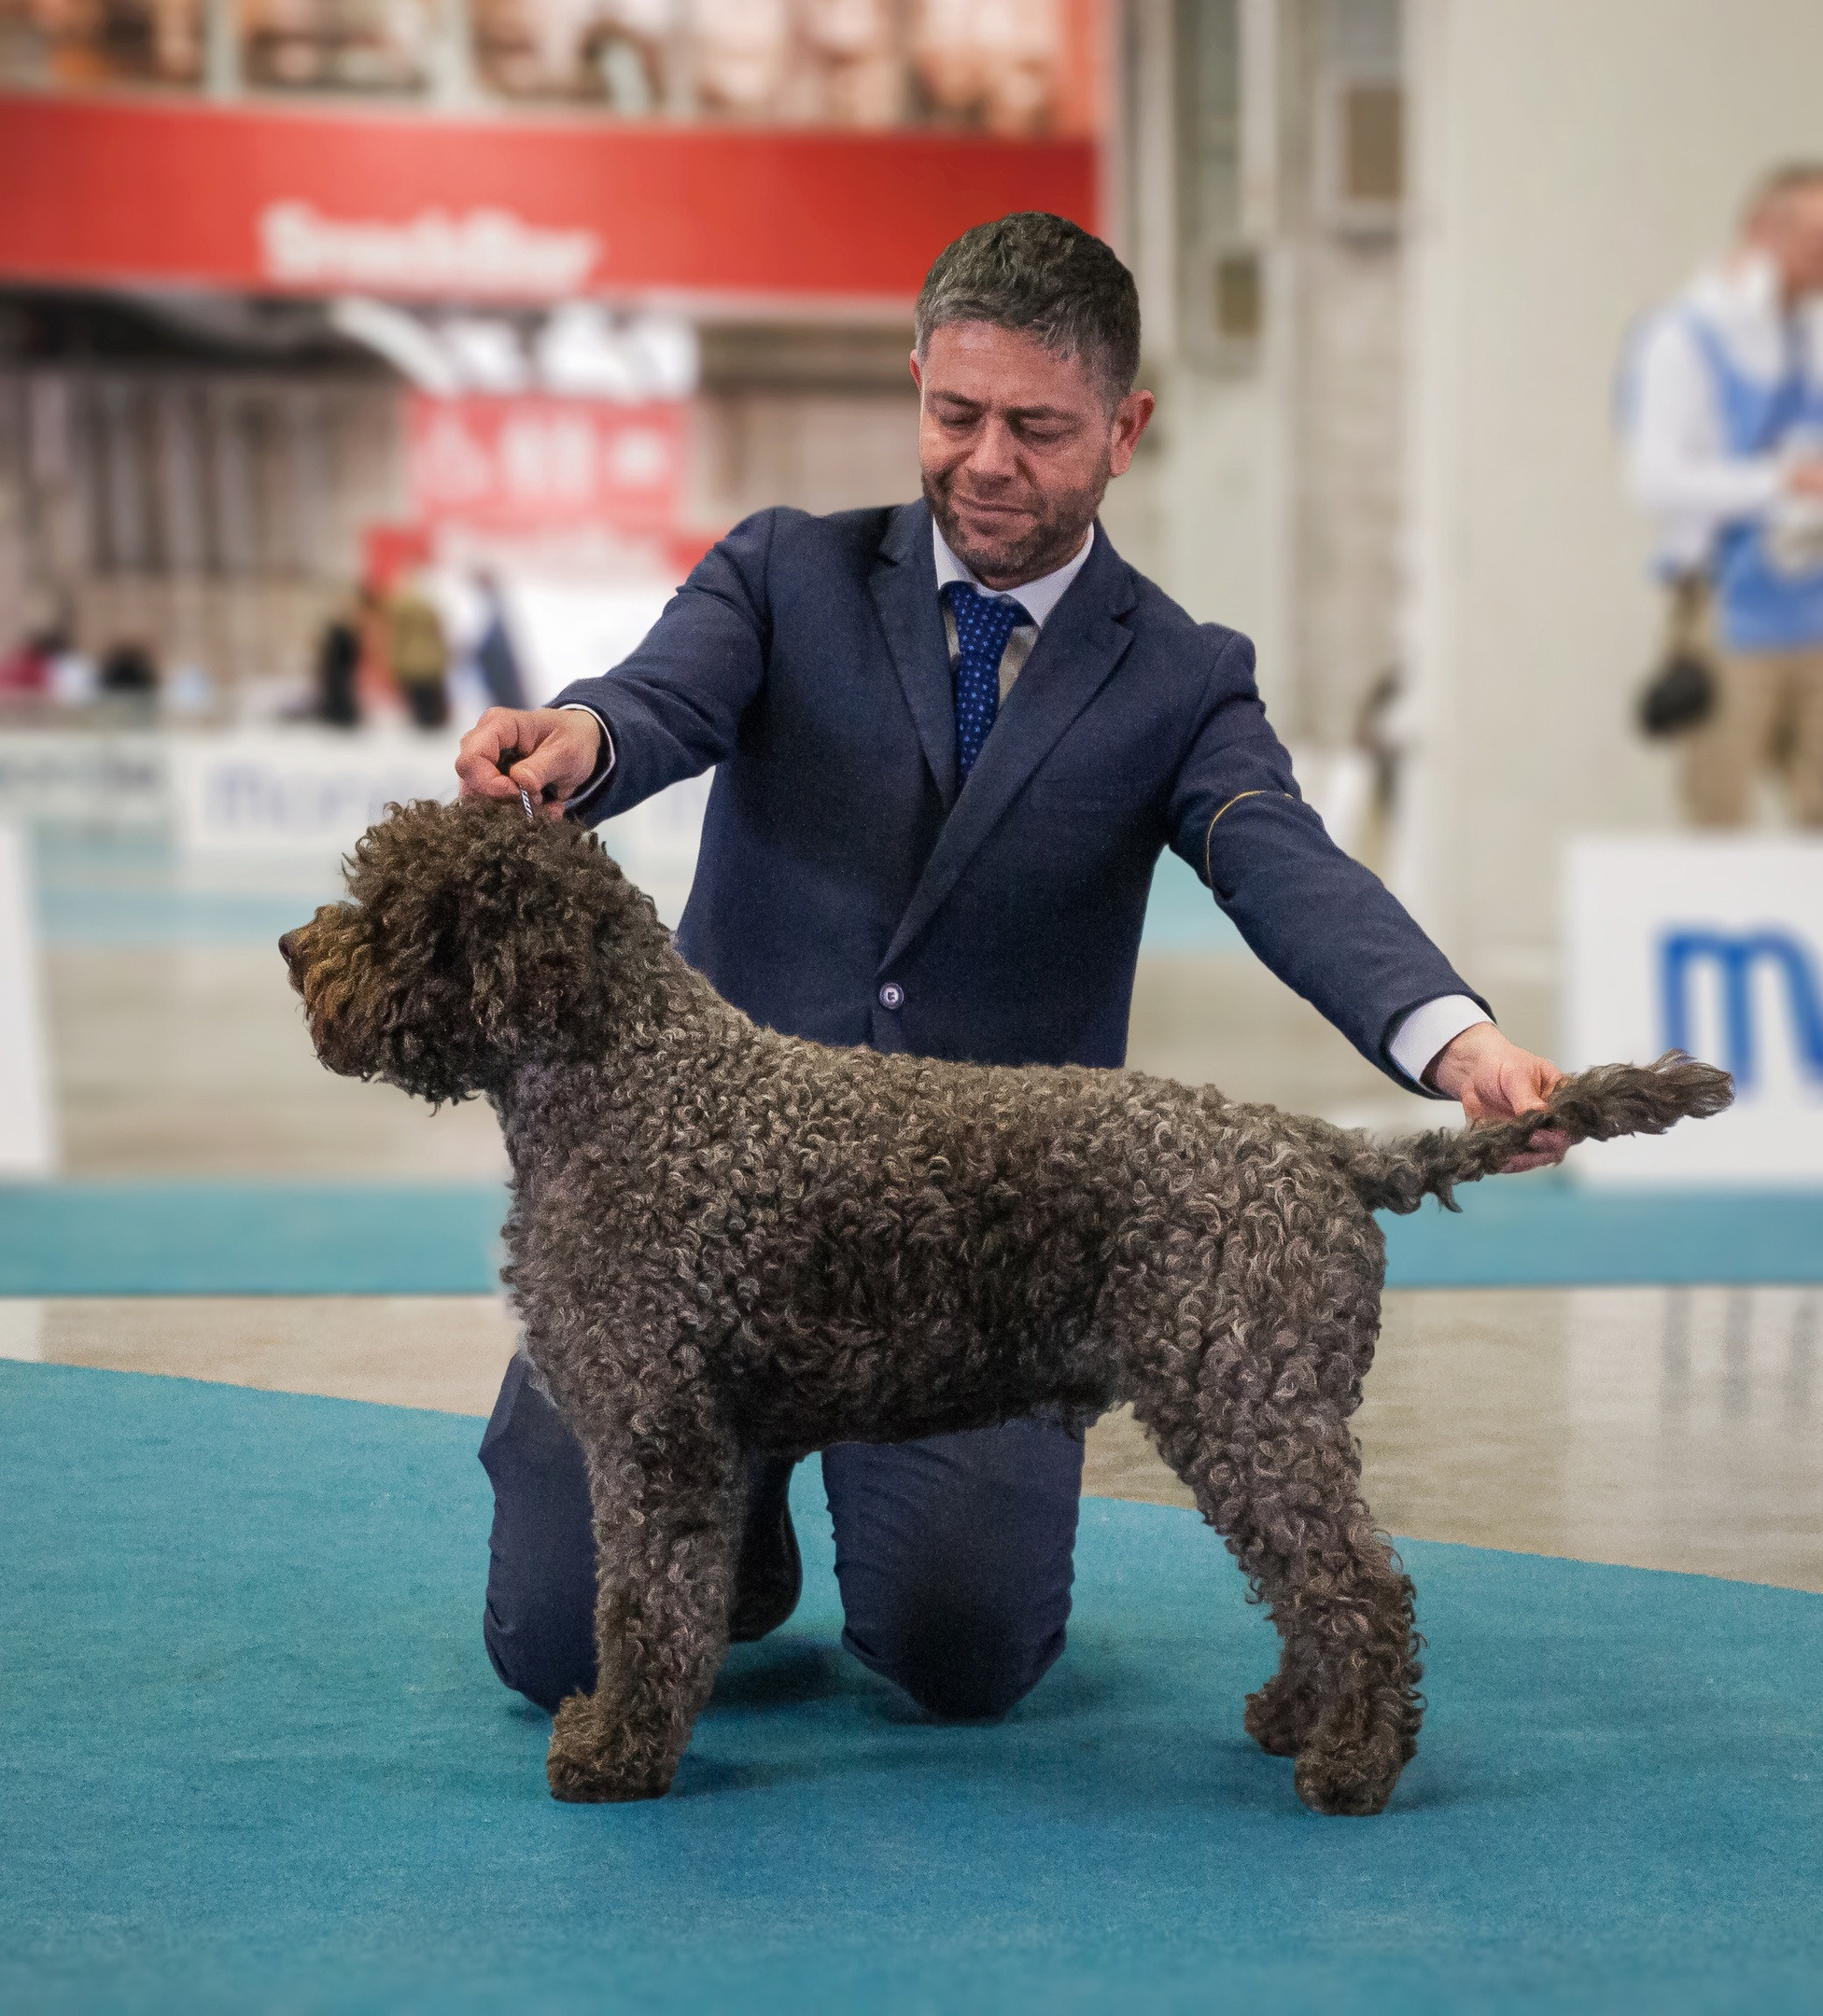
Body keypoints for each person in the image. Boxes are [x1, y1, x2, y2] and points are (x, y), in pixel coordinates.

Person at [456, 212, 1568, 1727]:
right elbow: (656, 701)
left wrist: (1454, 1043)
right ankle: (737, 1544)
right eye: (951, 413)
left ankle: (756, 1541)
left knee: (959, 1661)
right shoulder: (783, 574)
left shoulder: (1180, 676)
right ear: (915, 380)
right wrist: (581, 737)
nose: (984, 460)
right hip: (696, 1222)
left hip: (977, 1258)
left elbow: (1277, 859)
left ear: (1124, 429)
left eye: (1036, 429)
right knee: (550, 1652)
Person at [1624, 162, 1823, 825]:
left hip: (1811, 601)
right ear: (1763, 231)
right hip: (1726, 605)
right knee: (1718, 810)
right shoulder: (1685, 336)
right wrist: (1777, 483)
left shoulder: (1808, 335)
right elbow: (1653, 477)